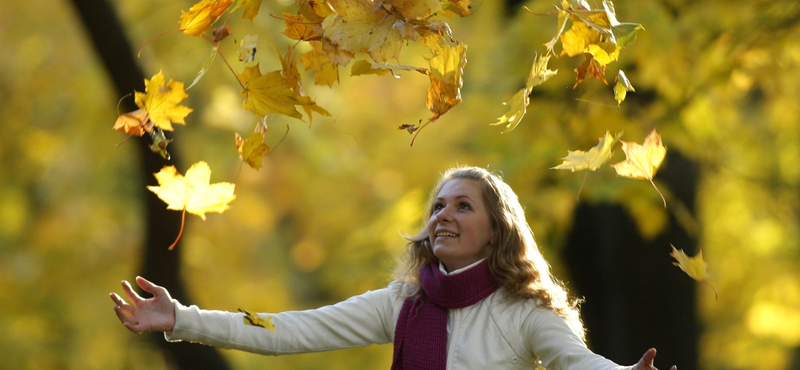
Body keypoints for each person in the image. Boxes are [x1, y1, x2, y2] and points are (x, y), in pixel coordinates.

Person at [111, 166, 676, 370]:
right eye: (437, 205)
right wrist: (182, 318)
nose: (443, 216)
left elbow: (575, 362)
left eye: (462, 206)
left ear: (497, 230)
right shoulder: (401, 304)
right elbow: (284, 329)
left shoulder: (524, 310)